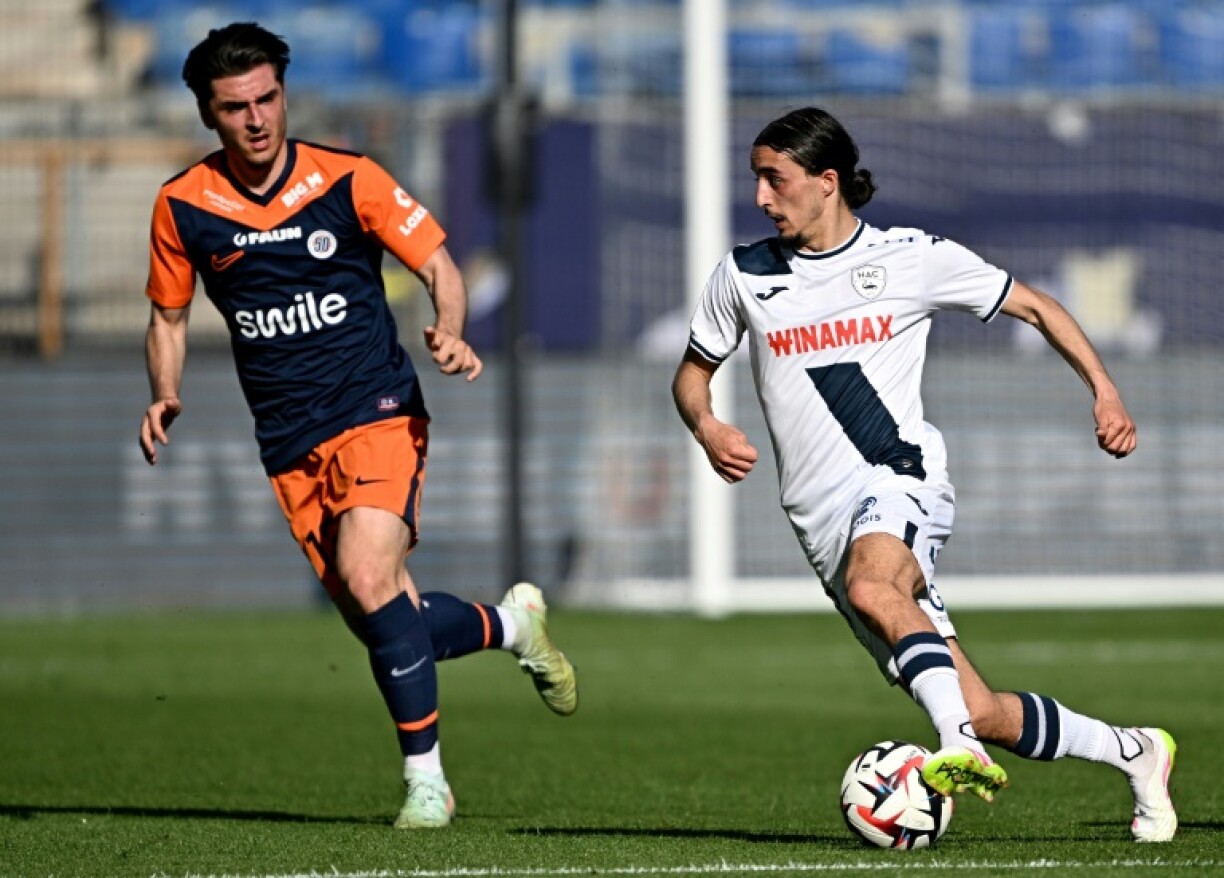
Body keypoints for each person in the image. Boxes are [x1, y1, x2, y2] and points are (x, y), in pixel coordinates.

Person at [672, 106, 1176, 842]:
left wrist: (1104, 390)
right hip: (821, 525)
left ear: (826, 181)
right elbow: (692, 376)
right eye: (755, 180)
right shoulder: (742, 274)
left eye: (773, 180)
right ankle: (1136, 752)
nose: (759, 198)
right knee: (983, 708)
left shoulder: (911, 256)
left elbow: (1033, 306)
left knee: (874, 585)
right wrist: (707, 423)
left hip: (900, 477)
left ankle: (956, 750)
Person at [137, 22, 577, 830]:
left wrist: (449, 326)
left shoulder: (350, 178)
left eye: (268, 97)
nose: (258, 118)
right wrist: (163, 391)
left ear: (285, 94)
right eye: (236, 107)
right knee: (384, 619)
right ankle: (515, 625)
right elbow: (167, 318)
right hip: (288, 441)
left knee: (372, 578)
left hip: (377, 408)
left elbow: (440, 263)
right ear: (209, 113)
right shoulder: (183, 206)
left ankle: (426, 783)